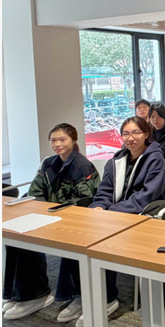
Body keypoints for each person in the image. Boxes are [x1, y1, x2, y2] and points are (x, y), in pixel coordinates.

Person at [75, 116, 165, 326]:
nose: (130, 138)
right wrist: (99, 207)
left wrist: (112, 212)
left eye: (136, 133)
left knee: (101, 241)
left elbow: (147, 197)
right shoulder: (116, 161)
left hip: (143, 218)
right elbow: (104, 191)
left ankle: (106, 298)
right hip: (115, 215)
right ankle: (79, 295)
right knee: (77, 239)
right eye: (126, 133)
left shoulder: (155, 160)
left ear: (146, 134)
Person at [3, 124, 100, 322]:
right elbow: (35, 191)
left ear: (73, 140)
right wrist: (39, 210)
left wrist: (52, 212)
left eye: (62, 139)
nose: (57, 144)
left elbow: (84, 200)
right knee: (16, 237)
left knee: (68, 245)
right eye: (53, 140)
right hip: (47, 215)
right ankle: (26, 293)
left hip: (74, 219)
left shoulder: (82, 166)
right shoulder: (48, 163)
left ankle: (73, 296)